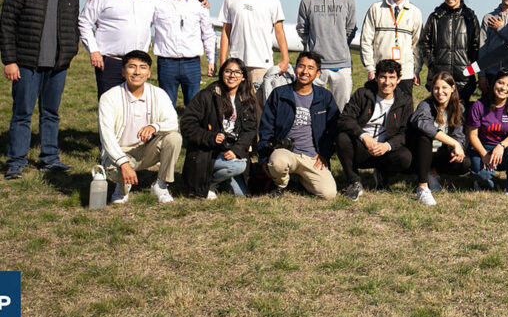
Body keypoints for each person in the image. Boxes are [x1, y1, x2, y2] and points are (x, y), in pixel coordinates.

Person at [1, 0, 80, 178]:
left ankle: (50, 158)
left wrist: (69, 53)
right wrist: (10, 61)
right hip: (26, 64)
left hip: (57, 66)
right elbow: (6, 26)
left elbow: (73, 28)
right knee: (22, 113)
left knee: (51, 113)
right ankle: (16, 160)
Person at [98, 51, 182, 205]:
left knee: (174, 138)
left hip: (147, 149)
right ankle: (121, 186)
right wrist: (123, 163)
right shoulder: (109, 97)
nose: (137, 72)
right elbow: (106, 136)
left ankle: (161, 185)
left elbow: (173, 123)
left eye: (143, 67)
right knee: (116, 170)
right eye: (132, 67)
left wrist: (154, 126)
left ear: (148, 73)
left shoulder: (158, 93)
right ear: (123, 72)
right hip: (121, 151)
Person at [79, 0, 163, 97]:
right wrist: (93, 50)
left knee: (136, 106)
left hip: (138, 63)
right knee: (109, 107)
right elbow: (84, 22)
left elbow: (173, 2)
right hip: (111, 62)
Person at [257, 51, 340, 199]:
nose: (305, 71)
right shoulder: (279, 94)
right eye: (301, 66)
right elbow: (266, 127)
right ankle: (281, 185)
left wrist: (324, 154)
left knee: (329, 194)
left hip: (312, 156)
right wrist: (264, 157)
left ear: (318, 73)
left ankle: (301, 179)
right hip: (285, 152)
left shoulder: (324, 97)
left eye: (310, 68)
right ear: (295, 68)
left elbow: (333, 129)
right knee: (277, 162)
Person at [179, 58, 259, 198]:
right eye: (228, 71)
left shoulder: (247, 100)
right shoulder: (207, 95)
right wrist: (210, 137)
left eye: (237, 72)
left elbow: (250, 130)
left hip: (231, 152)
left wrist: (236, 150)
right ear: (222, 74)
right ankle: (208, 183)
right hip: (207, 153)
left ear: (243, 77)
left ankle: (222, 179)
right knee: (238, 167)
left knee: (242, 194)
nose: (232, 75)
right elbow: (187, 124)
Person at [336, 58, 414, 200]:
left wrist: (387, 146)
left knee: (405, 156)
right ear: (376, 78)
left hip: (385, 150)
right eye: (383, 77)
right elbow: (345, 119)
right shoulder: (362, 94)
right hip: (362, 147)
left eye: (392, 77)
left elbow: (405, 132)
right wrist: (363, 135)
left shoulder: (405, 101)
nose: (387, 82)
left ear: (399, 79)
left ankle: (383, 175)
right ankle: (354, 181)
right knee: (342, 138)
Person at [296, 0, 358, 111]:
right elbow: (302, 29)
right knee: (314, 108)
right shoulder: (307, 0)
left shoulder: (348, 1)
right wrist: (315, 45)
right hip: (316, 65)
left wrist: (339, 44)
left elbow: (351, 29)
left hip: (341, 63)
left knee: (341, 109)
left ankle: (339, 135)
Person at [218, 0, 290, 87]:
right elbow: (225, 32)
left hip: (262, 62)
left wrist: (285, 59)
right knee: (235, 103)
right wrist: (223, 61)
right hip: (236, 62)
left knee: (260, 103)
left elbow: (279, 32)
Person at [152, 0, 216, 107]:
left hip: (192, 63)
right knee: (166, 107)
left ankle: (190, 130)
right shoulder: (159, 3)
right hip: (166, 63)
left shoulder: (200, 4)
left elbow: (208, 33)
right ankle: (167, 130)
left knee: (194, 107)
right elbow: (144, 26)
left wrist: (211, 60)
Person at [410, 71, 470, 206]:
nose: (440, 92)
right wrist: (454, 143)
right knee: (424, 137)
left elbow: (459, 135)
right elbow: (422, 124)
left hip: (441, 153)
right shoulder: (426, 105)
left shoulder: (459, 108)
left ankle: (433, 172)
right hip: (421, 153)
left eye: (444, 88)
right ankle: (423, 187)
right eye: (436, 88)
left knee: (465, 163)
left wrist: (457, 147)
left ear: (452, 88)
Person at [360, 0, 422, 96]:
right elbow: (366, 41)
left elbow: (417, 45)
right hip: (381, 73)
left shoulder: (415, 12)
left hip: (405, 73)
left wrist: (416, 70)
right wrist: (371, 68)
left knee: (403, 112)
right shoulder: (376, 8)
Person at [417, 0, 480, 103]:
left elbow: (476, 44)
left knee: (461, 115)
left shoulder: (470, 17)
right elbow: (424, 43)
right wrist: (432, 65)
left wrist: (469, 66)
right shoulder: (435, 17)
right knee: (439, 115)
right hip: (440, 76)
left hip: (464, 78)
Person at [466, 68, 508, 195]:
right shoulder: (478, 105)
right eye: (500, 83)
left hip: (503, 149)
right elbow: (472, 135)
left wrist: (501, 146)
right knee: (484, 180)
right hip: (482, 148)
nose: (504, 88)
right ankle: (483, 179)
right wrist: (484, 155)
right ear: (493, 83)